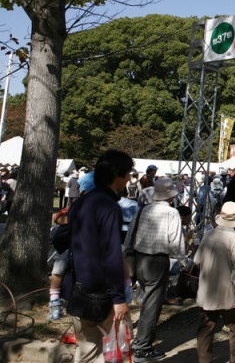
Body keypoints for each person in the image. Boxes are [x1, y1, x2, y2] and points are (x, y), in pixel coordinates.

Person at [53, 149, 133, 363]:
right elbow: (111, 253)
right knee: (116, 349)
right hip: (102, 293)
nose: (128, 179)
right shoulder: (109, 207)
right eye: (128, 174)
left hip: (77, 288)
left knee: (87, 350)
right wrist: (119, 297)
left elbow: (60, 239)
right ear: (118, 175)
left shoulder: (82, 201)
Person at [124, 178, 187, 362]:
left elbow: (130, 235)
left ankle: (139, 341)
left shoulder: (143, 209)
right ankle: (143, 348)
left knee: (146, 301)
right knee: (152, 304)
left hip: (138, 259)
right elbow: (175, 241)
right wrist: (184, 261)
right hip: (157, 261)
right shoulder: (172, 213)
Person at [194, 202, 235, 363]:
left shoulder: (209, 234)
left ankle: (204, 359)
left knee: (206, 326)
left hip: (207, 288)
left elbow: (196, 259)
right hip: (228, 290)